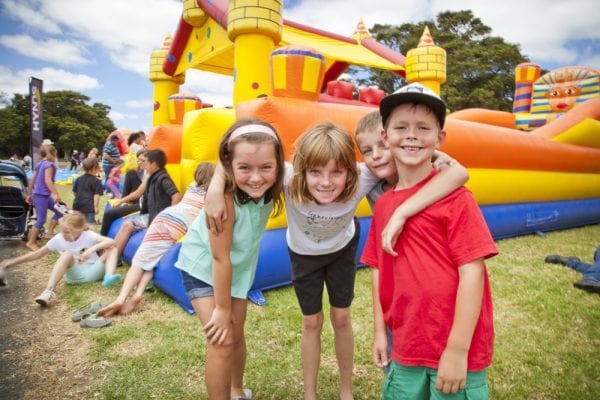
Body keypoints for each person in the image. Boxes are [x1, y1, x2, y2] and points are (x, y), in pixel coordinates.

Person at [360, 82, 498, 399]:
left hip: (455, 346)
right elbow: (379, 270)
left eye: (423, 128)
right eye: (401, 127)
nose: (411, 135)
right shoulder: (382, 205)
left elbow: (472, 271)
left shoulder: (458, 199)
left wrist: (457, 350)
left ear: (440, 139)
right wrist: (381, 332)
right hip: (406, 343)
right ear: (385, 135)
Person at [177, 118, 284, 400]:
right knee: (222, 341)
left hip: (237, 272)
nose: (256, 177)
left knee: (236, 336)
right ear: (229, 166)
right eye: (244, 168)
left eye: (266, 167)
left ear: (278, 165)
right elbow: (219, 258)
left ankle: (237, 391)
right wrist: (222, 310)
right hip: (205, 268)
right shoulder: (224, 199)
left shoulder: (275, 184)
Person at [354, 110, 469, 373]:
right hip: (396, 281)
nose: (377, 155)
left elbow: (459, 173)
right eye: (367, 150)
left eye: (383, 146)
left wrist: (402, 212)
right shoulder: (373, 183)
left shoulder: (435, 167)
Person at [99, 162, 215, 317]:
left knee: (141, 259)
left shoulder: (192, 186)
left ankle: (121, 298)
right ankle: (138, 293)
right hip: (182, 225)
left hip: (167, 217)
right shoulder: (214, 193)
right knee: (156, 257)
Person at [0, 214, 121, 304]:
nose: (63, 234)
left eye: (67, 232)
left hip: (94, 271)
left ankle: (109, 277)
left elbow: (112, 241)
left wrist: (91, 249)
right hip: (75, 276)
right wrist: (11, 262)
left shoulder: (88, 235)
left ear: (78, 229)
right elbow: (37, 254)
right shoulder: (58, 239)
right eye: (62, 230)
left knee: (112, 247)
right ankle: (48, 292)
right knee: (66, 254)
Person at [110, 149, 181, 262]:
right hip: (151, 214)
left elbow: (176, 195)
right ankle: (113, 255)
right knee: (125, 224)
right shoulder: (153, 177)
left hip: (158, 217)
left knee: (128, 226)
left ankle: (114, 259)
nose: (144, 166)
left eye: (146, 163)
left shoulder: (163, 178)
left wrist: (168, 216)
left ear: (154, 164)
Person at [99, 150, 147, 237]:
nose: (139, 163)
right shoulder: (146, 172)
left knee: (109, 214)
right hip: (141, 200)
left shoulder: (152, 175)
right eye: (138, 160)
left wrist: (121, 201)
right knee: (131, 172)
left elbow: (138, 193)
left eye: (142, 160)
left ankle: (102, 242)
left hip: (143, 204)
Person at [25, 143, 63, 250]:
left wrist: (29, 194)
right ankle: (31, 242)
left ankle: (49, 233)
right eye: (55, 153)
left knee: (61, 211)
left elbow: (32, 179)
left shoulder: (39, 163)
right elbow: (48, 181)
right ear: (52, 153)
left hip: (42, 195)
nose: (56, 155)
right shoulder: (49, 165)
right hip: (41, 196)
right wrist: (56, 194)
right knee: (41, 219)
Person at [72, 157, 104, 224]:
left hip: (77, 205)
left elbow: (74, 192)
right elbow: (96, 195)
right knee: (89, 224)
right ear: (95, 168)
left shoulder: (78, 179)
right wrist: (95, 207)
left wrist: (80, 198)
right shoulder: (96, 181)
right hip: (89, 207)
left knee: (77, 224)